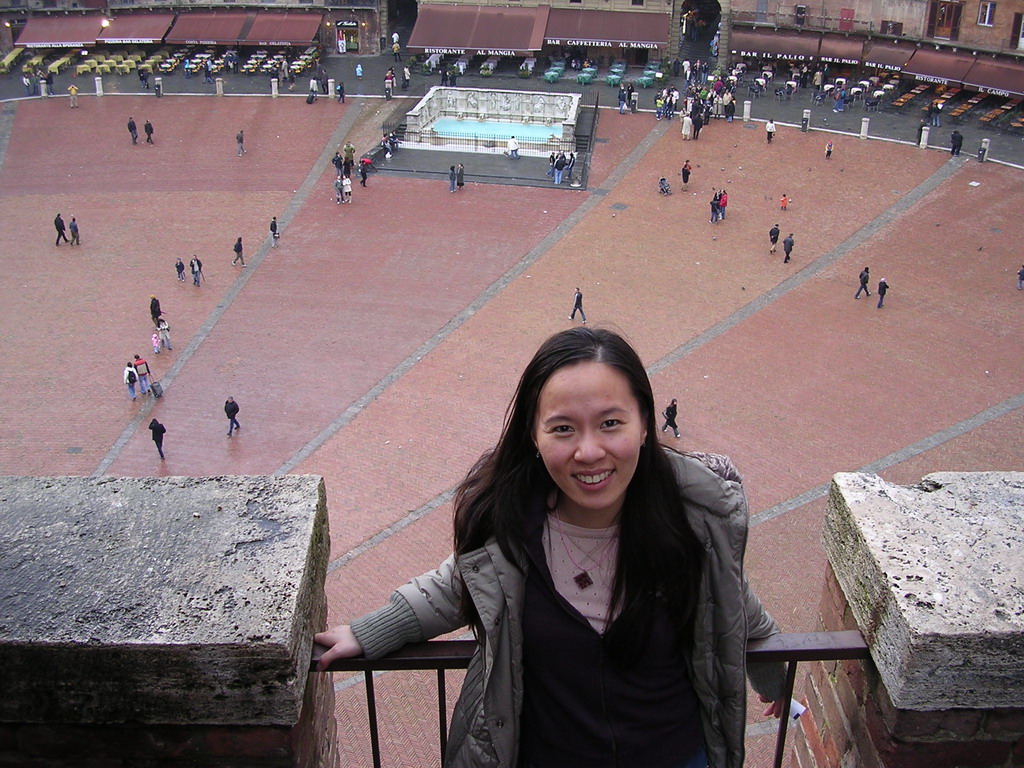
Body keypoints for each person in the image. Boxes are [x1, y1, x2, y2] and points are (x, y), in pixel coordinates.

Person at [314, 328, 787, 768]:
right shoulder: (511, 532)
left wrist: (775, 677)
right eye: (563, 429)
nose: (588, 452)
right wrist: (371, 631)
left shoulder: (690, 528)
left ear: (645, 424)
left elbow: (735, 609)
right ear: (534, 438)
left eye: (610, 423)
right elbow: (451, 589)